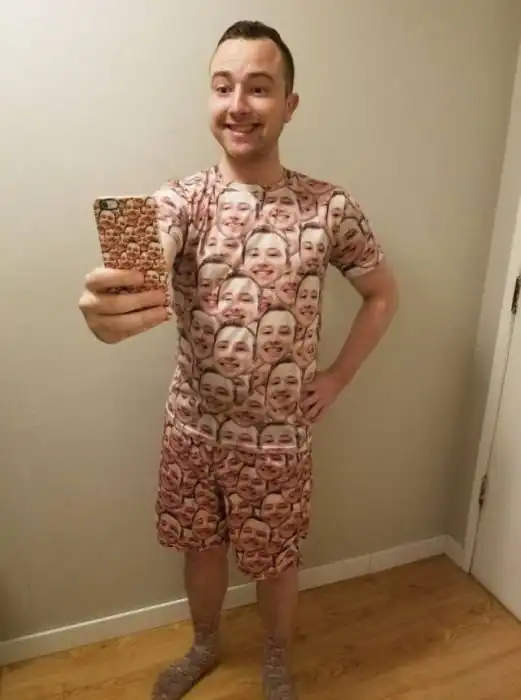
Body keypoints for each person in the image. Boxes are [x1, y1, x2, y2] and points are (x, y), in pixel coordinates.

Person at [78, 19, 399, 700]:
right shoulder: (181, 200)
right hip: (192, 430)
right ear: (209, 98)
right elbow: (139, 259)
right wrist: (109, 311)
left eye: (258, 87)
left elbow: (381, 295)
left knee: (276, 560)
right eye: (222, 87)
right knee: (200, 548)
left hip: (279, 439)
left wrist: (338, 377)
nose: (238, 104)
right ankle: (204, 646)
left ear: (289, 104)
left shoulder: (328, 208)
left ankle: (276, 659)